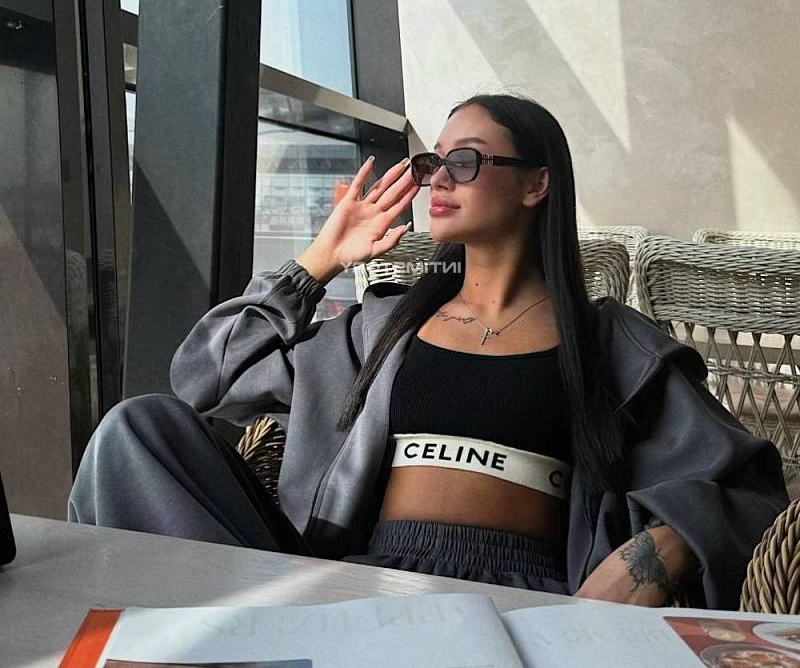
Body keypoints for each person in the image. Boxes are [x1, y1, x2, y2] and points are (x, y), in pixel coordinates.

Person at [68, 92, 789, 610]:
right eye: (433, 162)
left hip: (524, 599)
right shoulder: (382, 326)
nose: (437, 178)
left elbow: (751, 488)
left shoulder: (611, 343)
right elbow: (203, 378)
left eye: (465, 161)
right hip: (350, 583)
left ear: (537, 184)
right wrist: (318, 262)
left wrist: (657, 552)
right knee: (135, 428)